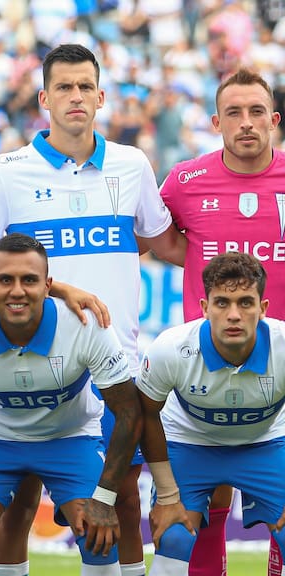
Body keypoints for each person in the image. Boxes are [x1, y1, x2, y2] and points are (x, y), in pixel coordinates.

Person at [0, 43, 186, 576]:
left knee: (122, 500)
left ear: (101, 96)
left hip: (113, 361)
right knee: (19, 502)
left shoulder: (132, 164)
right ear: (44, 98)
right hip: (30, 352)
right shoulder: (7, 172)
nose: (76, 96)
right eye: (63, 88)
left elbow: (166, 246)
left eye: (85, 87)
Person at [0, 232, 142, 575]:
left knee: (98, 539)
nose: (16, 291)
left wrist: (105, 496)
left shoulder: (85, 325)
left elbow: (130, 412)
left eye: (29, 280)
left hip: (69, 439)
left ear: (48, 285)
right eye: (5, 280)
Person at [159, 67, 285, 576]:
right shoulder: (186, 181)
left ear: (274, 120)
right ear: (216, 121)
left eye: (257, 112)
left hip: (279, 372)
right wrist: (200, 264)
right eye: (234, 112)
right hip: (206, 368)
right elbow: (159, 239)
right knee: (201, 514)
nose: (246, 122)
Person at [137, 252, 285, 576]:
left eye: (246, 303)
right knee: (173, 537)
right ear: (205, 309)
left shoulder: (283, 346)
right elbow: (144, 415)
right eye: (222, 303)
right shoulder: (171, 348)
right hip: (190, 443)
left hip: (264, 443)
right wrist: (166, 493)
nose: (234, 315)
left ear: (263, 309)